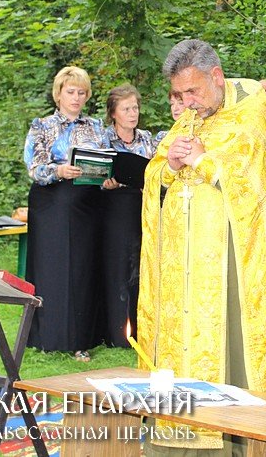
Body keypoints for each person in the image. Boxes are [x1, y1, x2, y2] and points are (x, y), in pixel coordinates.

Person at [138, 39, 266, 452]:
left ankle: (234, 436)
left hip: (228, 252)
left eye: (193, 91)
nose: (187, 103)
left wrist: (205, 161)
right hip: (181, 255)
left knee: (229, 336)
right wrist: (169, 164)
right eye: (179, 94)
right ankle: (179, 426)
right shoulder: (190, 115)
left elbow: (255, 182)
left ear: (217, 76)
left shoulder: (250, 111)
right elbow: (156, 168)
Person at [22, 66, 106, 362]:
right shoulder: (42, 126)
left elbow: (106, 160)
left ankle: (81, 339)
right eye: (71, 92)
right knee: (52, 270)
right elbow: (34, 167)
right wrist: (58, 170)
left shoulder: (96, 127)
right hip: (52, 204)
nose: (76, 97)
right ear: (59, 94)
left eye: (82, 93)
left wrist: (105, 174)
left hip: (87, 205)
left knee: (83, 270)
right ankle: (48, 337)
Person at [98, 84, 155, 348]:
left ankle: (141, 325)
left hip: (142, 205)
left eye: (135, 108)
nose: (133, 114)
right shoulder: (102, 139)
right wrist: (106, 181)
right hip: (113, 208)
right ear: (113, 113)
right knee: (118, 263)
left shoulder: (147, 139)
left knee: (141, 263)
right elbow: (92, 172)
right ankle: (116, 330)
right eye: (126, 109)